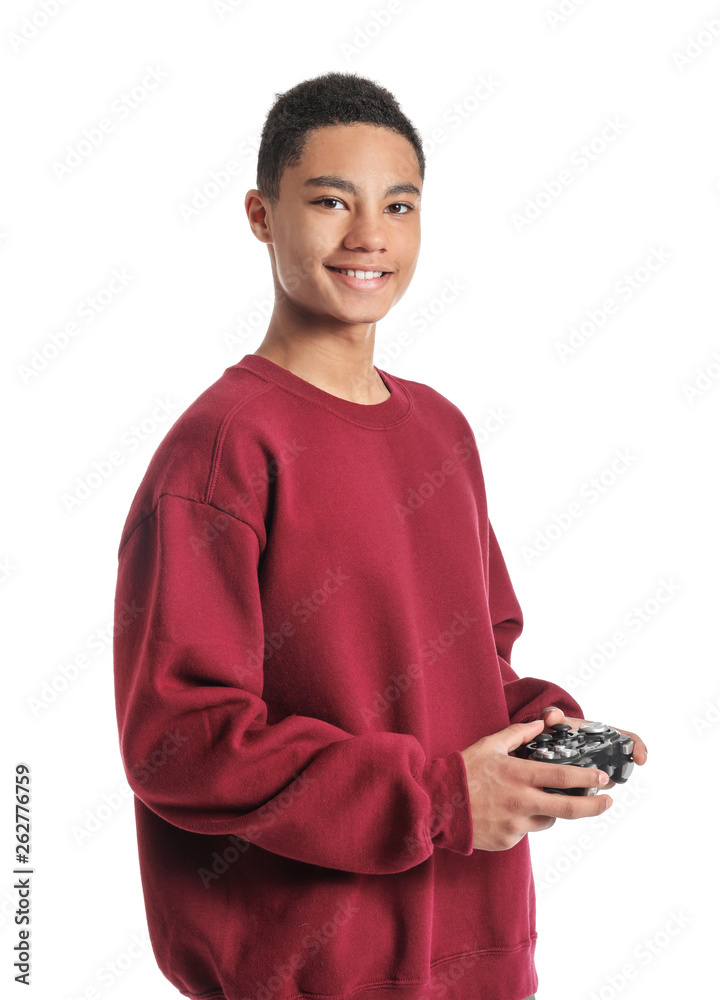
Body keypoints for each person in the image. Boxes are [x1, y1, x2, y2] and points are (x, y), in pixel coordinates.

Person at [112, 71, 647, 1000]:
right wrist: (437, 798)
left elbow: (475, 661)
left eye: (399, 206)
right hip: (317, 971)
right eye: (330, 201)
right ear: (261, 214)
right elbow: (182, 742)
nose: (369, 237)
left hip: (477, 950)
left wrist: (537, 728)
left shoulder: (441, 430)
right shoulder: (223, 450)